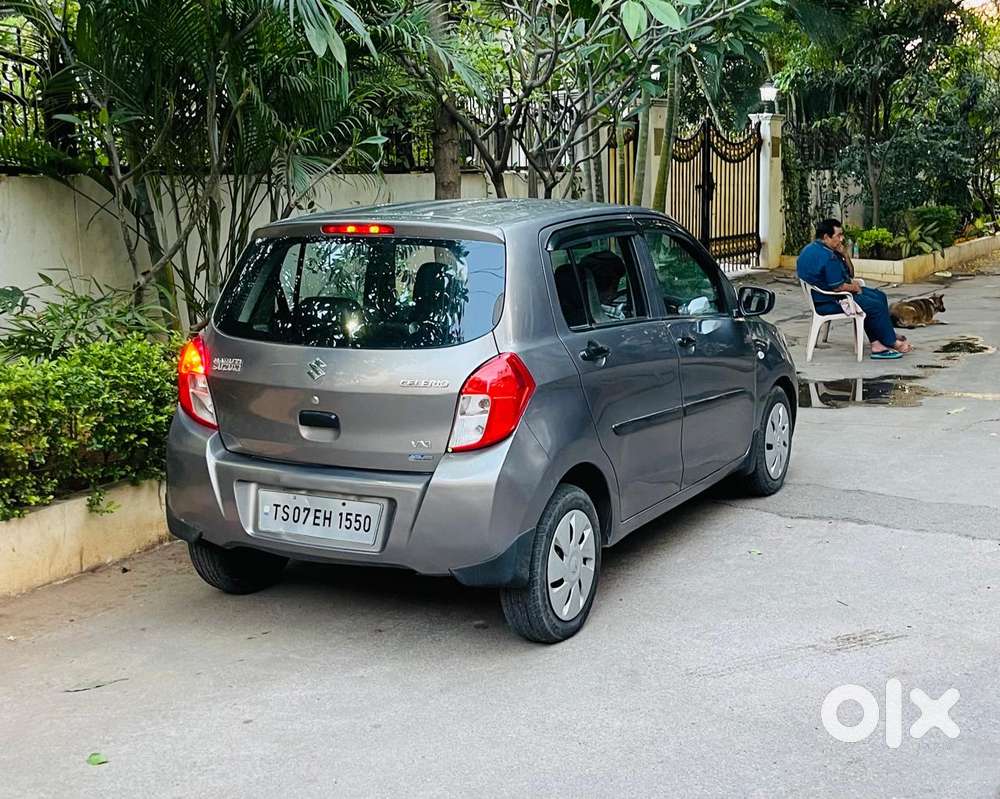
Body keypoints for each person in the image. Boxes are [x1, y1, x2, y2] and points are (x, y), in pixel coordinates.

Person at [797, 218, 911, 359]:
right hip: (831, 300)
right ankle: (885, 344)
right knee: (873, 305)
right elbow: (838, 287)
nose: (841, 239)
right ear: (826, 237)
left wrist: (844, 254)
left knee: (879, 296)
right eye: (838, 236)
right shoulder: (828, 256)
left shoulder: (811, 249)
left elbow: (850, 274)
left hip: (820, 297)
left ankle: (885, 335)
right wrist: (854, 288)